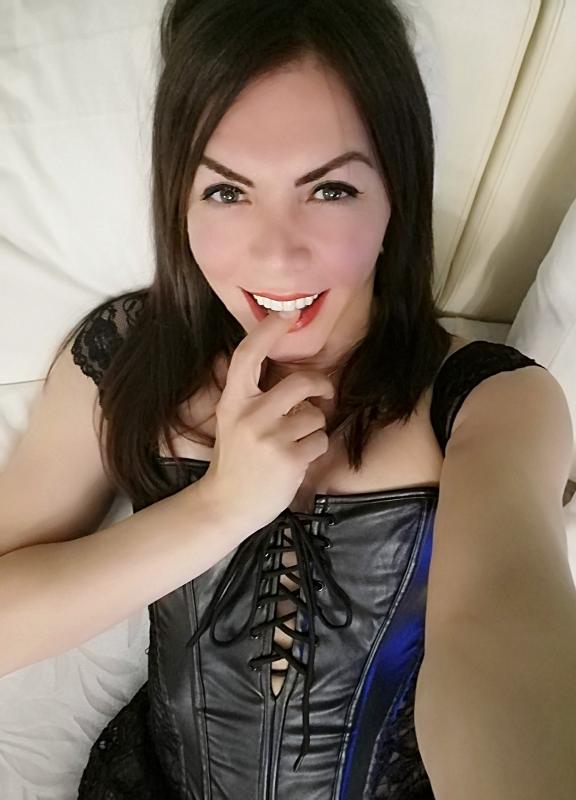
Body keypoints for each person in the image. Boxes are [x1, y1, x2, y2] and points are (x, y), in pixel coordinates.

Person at [0, 1, 547, 798]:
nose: (278, 255)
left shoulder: (488, 401)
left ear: (397, 193)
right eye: (227, 192)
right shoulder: (126, 360)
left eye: (330, 190)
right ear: (179, 200)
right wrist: (219, 508)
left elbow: (517, 637)